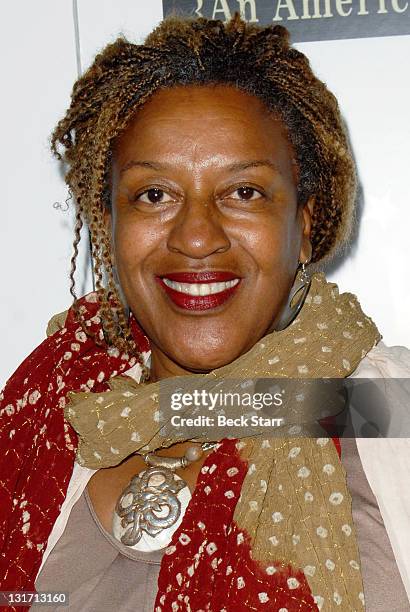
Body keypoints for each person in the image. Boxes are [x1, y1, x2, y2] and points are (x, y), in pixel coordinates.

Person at [1, 12, 409, 612]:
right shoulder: (53, 410)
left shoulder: (392, 416)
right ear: (107, 224)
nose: (196, 237)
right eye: (153, 195)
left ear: (303, 221)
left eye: (244, 192)